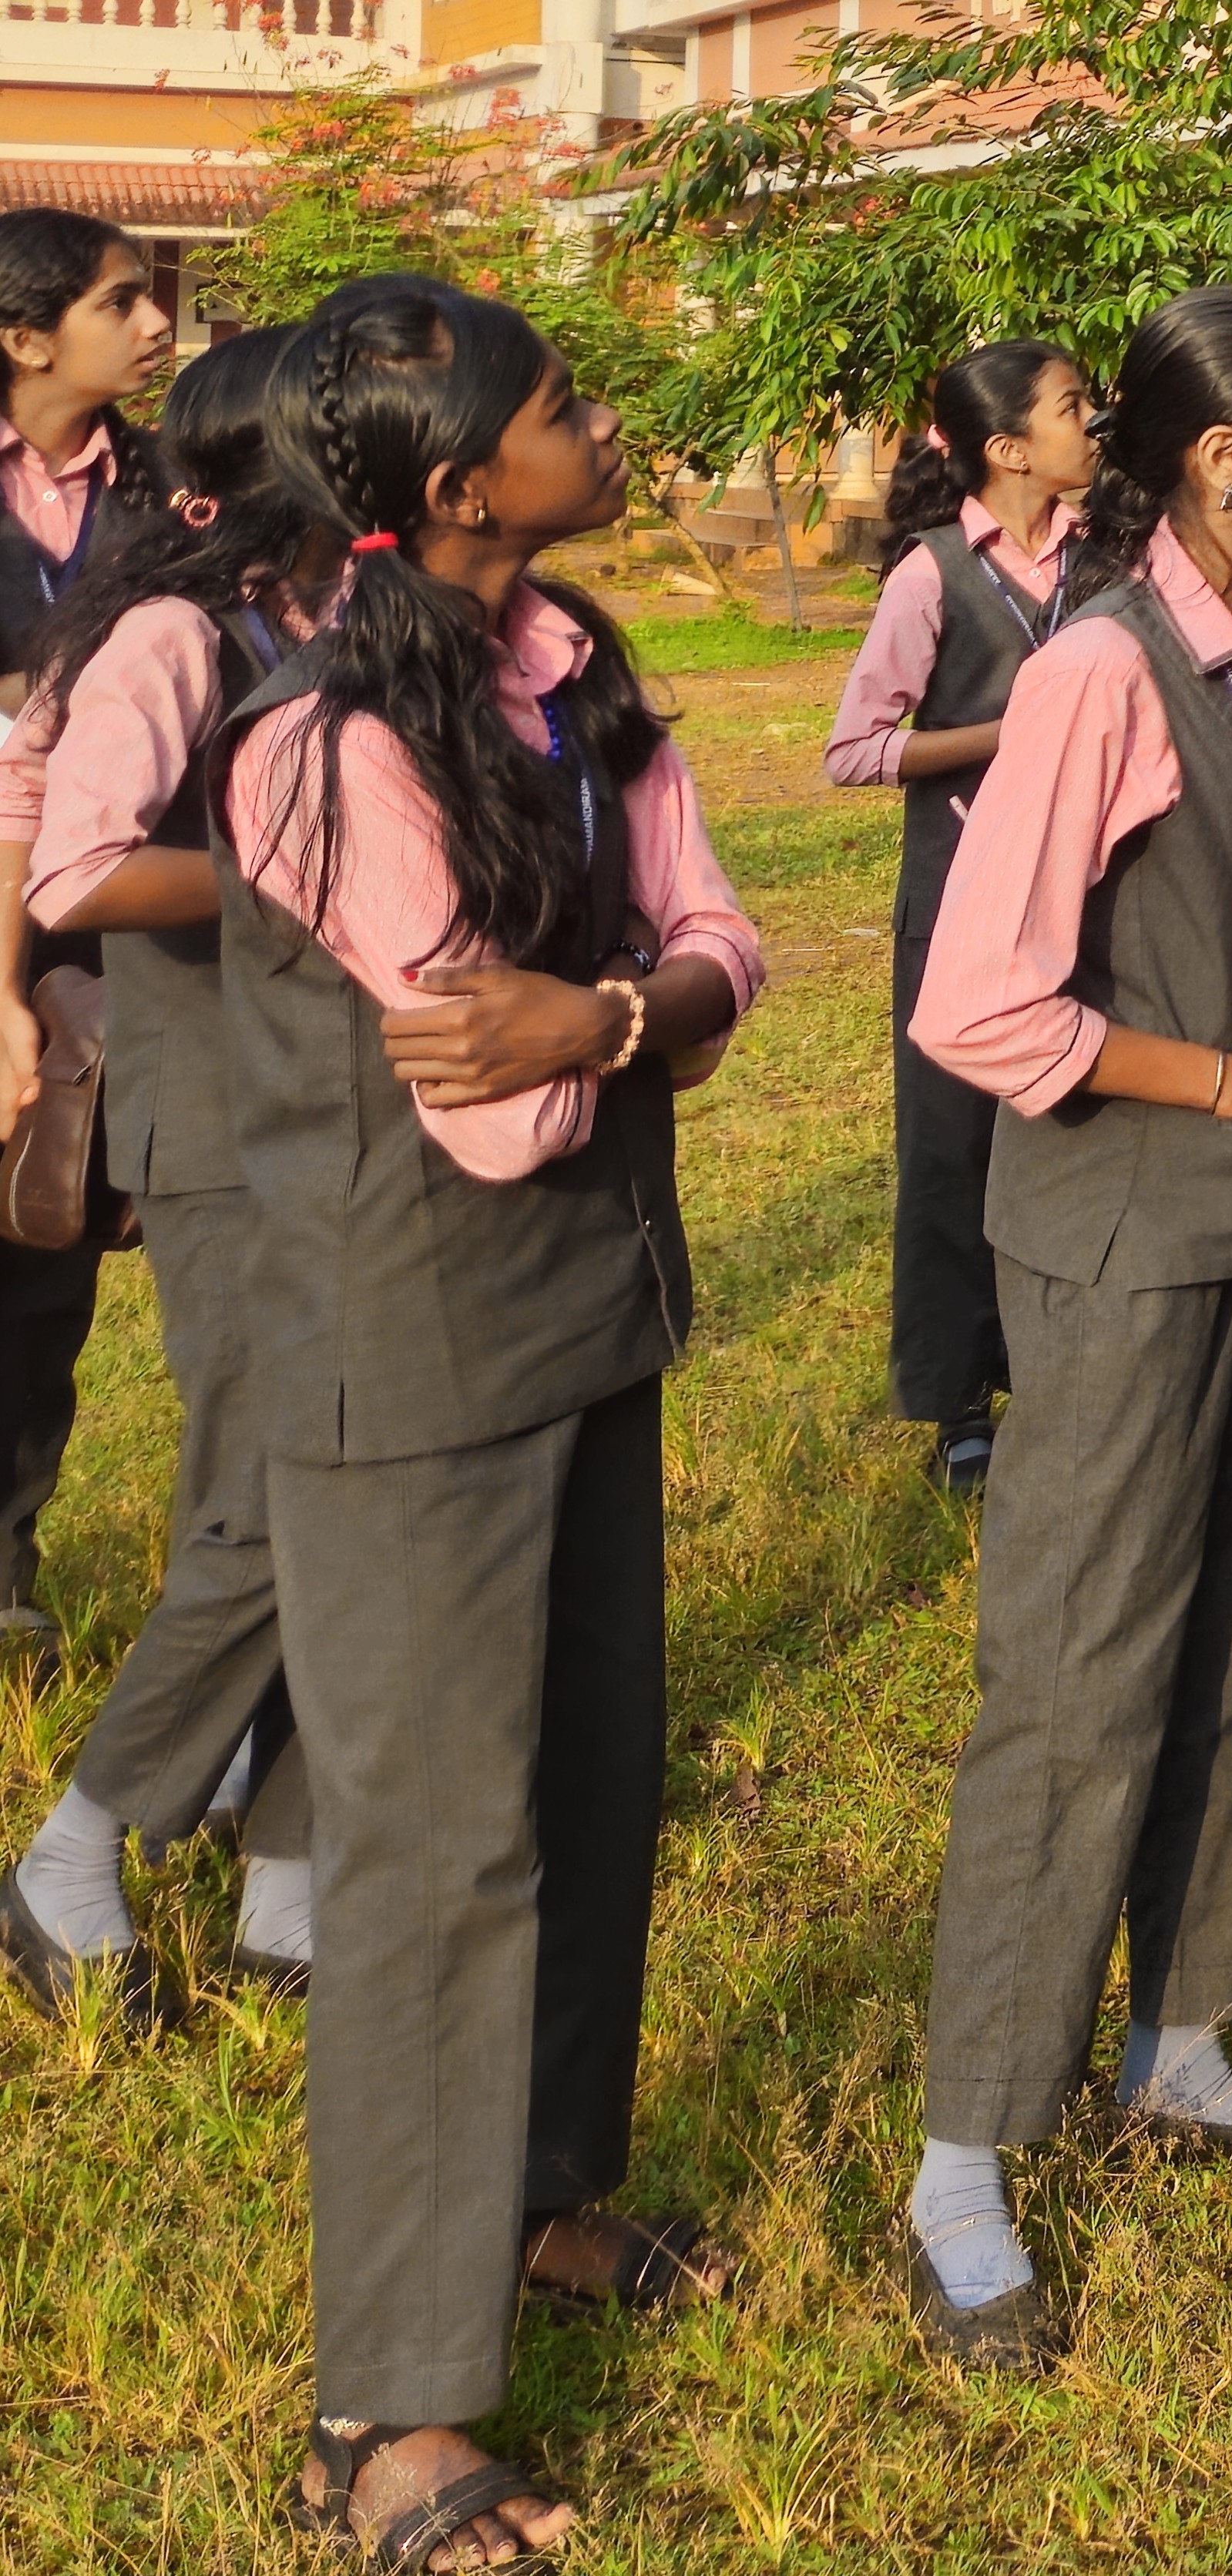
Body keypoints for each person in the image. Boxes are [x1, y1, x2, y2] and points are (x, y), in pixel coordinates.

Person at [226, 273, 764, 2567]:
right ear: (460, 486)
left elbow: (725, 949)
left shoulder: (581, 676)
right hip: (420, 1354)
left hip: (585, 1319)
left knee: (592, 1784)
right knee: (438, 1860)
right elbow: (489, 1104)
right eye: (561, 403)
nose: (602, 418)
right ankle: (394, 2410)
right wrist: (632, 1014)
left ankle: (537, 2196)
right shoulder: (324, 746)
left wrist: (612, 1008)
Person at [901, 287, 1232, 2366]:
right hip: (1124, 1240)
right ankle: (966, 2154)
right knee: (1080, 1676)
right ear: (1224, 459)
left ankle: (1184, 2037)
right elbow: (978, 1001)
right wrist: (1204, 1078)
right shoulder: (1103, 673)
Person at [0, 325, 331, 2024]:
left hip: (342, 1116)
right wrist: (302, 868)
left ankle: (288, 1869)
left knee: (344, 1492)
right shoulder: (178, 634)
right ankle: (75, 1848)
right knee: (265, 1498)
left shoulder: (338, 615)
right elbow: (80, 867)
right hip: (219, 1119)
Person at [824, 341, 1096, 1494]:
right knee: (953, 1146)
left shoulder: (1109, 559)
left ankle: (1069, 1370)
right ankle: (957, 1401)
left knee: (1075, 1128)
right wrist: (1010, 733)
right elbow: (854, 750)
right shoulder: (932, 575)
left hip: (1089, 891)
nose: (1095, 422)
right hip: (960, 899)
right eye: (1074, 407)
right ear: (1008, 448)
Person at [0, 207, 173, 1671]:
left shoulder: (172, 492)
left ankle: (8, 1566)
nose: (156, 322)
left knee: (44, 1233)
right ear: (25, 336)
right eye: (122, 302)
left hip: (95, 919)